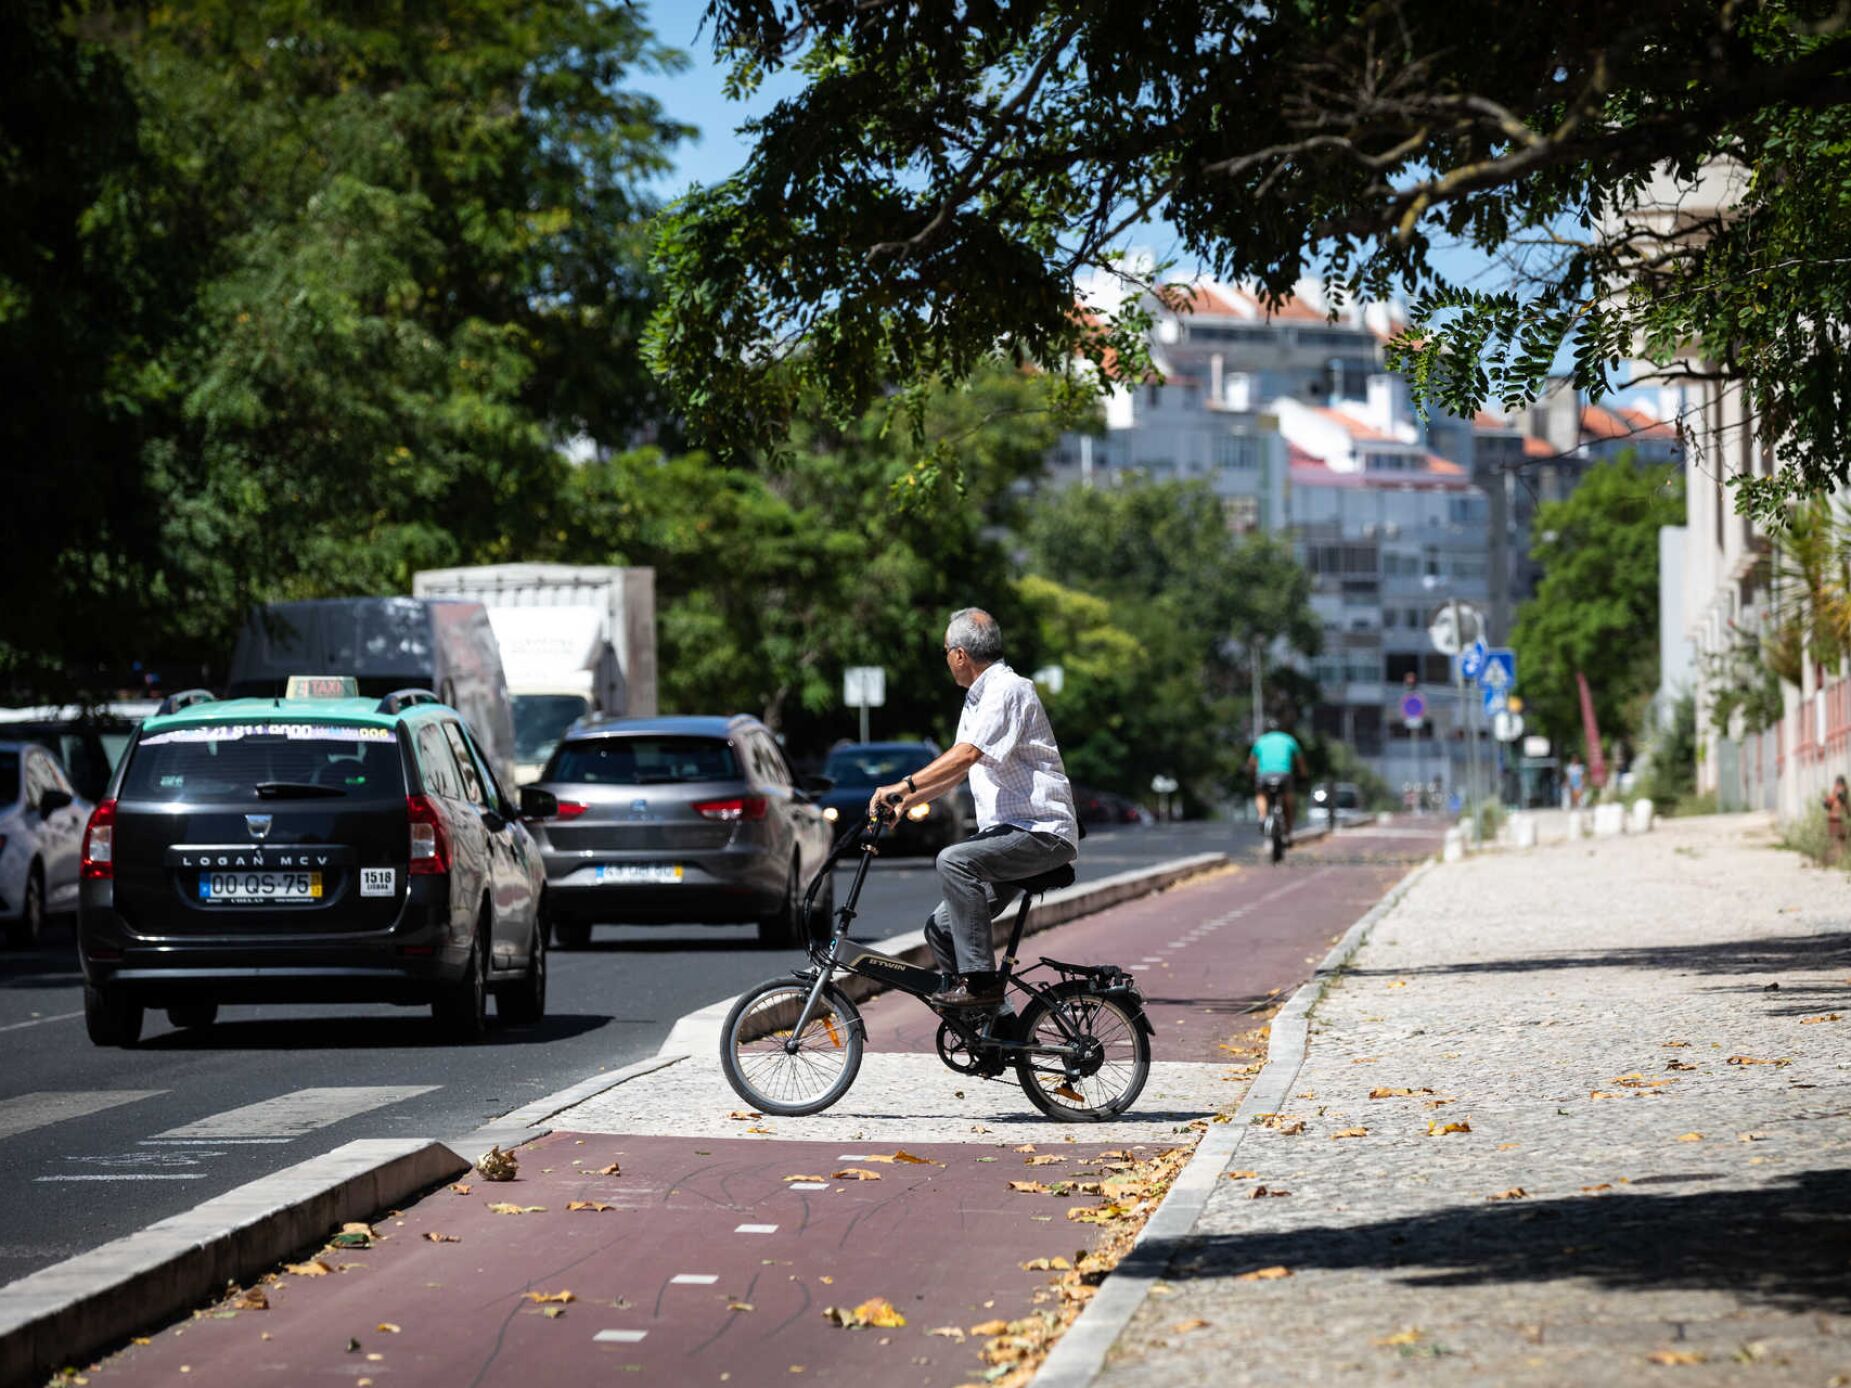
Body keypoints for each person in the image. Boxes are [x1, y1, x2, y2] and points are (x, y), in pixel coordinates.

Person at [868, 608, 1078, 1011]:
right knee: (941, 929)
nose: (946, 659)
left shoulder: (1009, 690)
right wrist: (904, 802)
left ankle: (981, 985)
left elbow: (966, 755)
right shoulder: (977, 699)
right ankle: (991, 1027)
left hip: (1040, 832)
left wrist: (903, 784)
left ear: (960, 654)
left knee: (955, 861)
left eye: (946, 651)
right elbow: (955, 772)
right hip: (1008, 835)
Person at [1247, 718, 1308, 844]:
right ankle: (1288, 833)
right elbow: (1300, 761)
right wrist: (1303, 776)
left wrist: (1251, 775)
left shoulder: (1261, 741)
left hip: (1264, 775)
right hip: (1284, 774)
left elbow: (1251, 762)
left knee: (1261, 795)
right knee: (1288, 802)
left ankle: (1262, 817)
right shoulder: (1288, 739)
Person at [1826, 775, 1849, 864]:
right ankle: (1838, 859)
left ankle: (1839, 859)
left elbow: (1842, 801)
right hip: (1836, 819)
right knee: (1837, 840)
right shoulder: (1837, 792)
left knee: (1839, 840)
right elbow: (1828, 804)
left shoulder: (1839, 791)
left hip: (1837, 819)